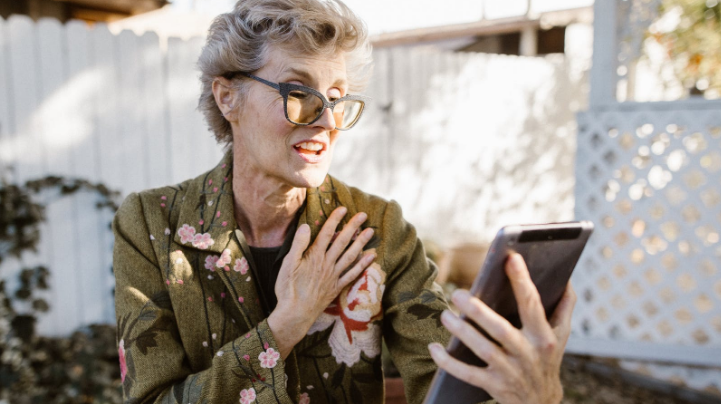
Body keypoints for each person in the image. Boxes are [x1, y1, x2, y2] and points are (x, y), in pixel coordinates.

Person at [111, 0, 576, 403]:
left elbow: (444, 383)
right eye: (299, 93)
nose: (328, 120)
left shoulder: (376, 228)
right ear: (228, 97)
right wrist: (286, 325)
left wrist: (532, 395)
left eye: (336, 98)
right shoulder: (153, 226)